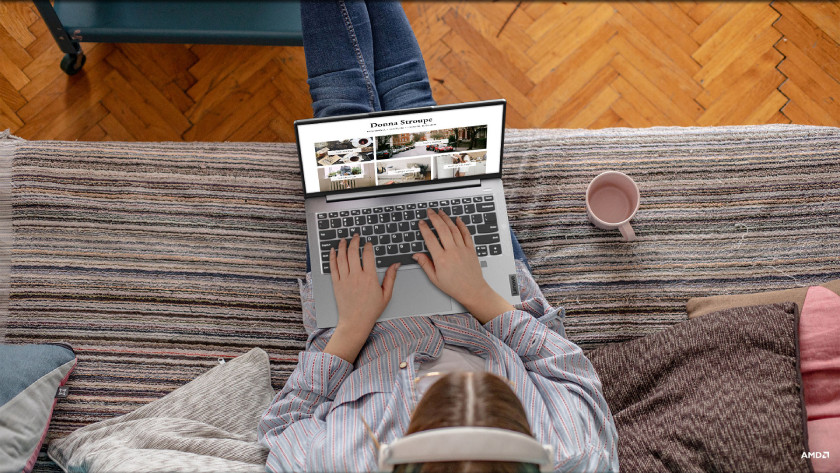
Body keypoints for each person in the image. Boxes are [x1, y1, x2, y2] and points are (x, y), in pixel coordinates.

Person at [257, 1, 618, 472]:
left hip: (359, 312)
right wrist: (479, 294)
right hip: (484, 296)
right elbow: (570, 374)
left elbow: (282, 427)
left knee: (343, 113)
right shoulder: (579, 459)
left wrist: (349, 330)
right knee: (414, 110)